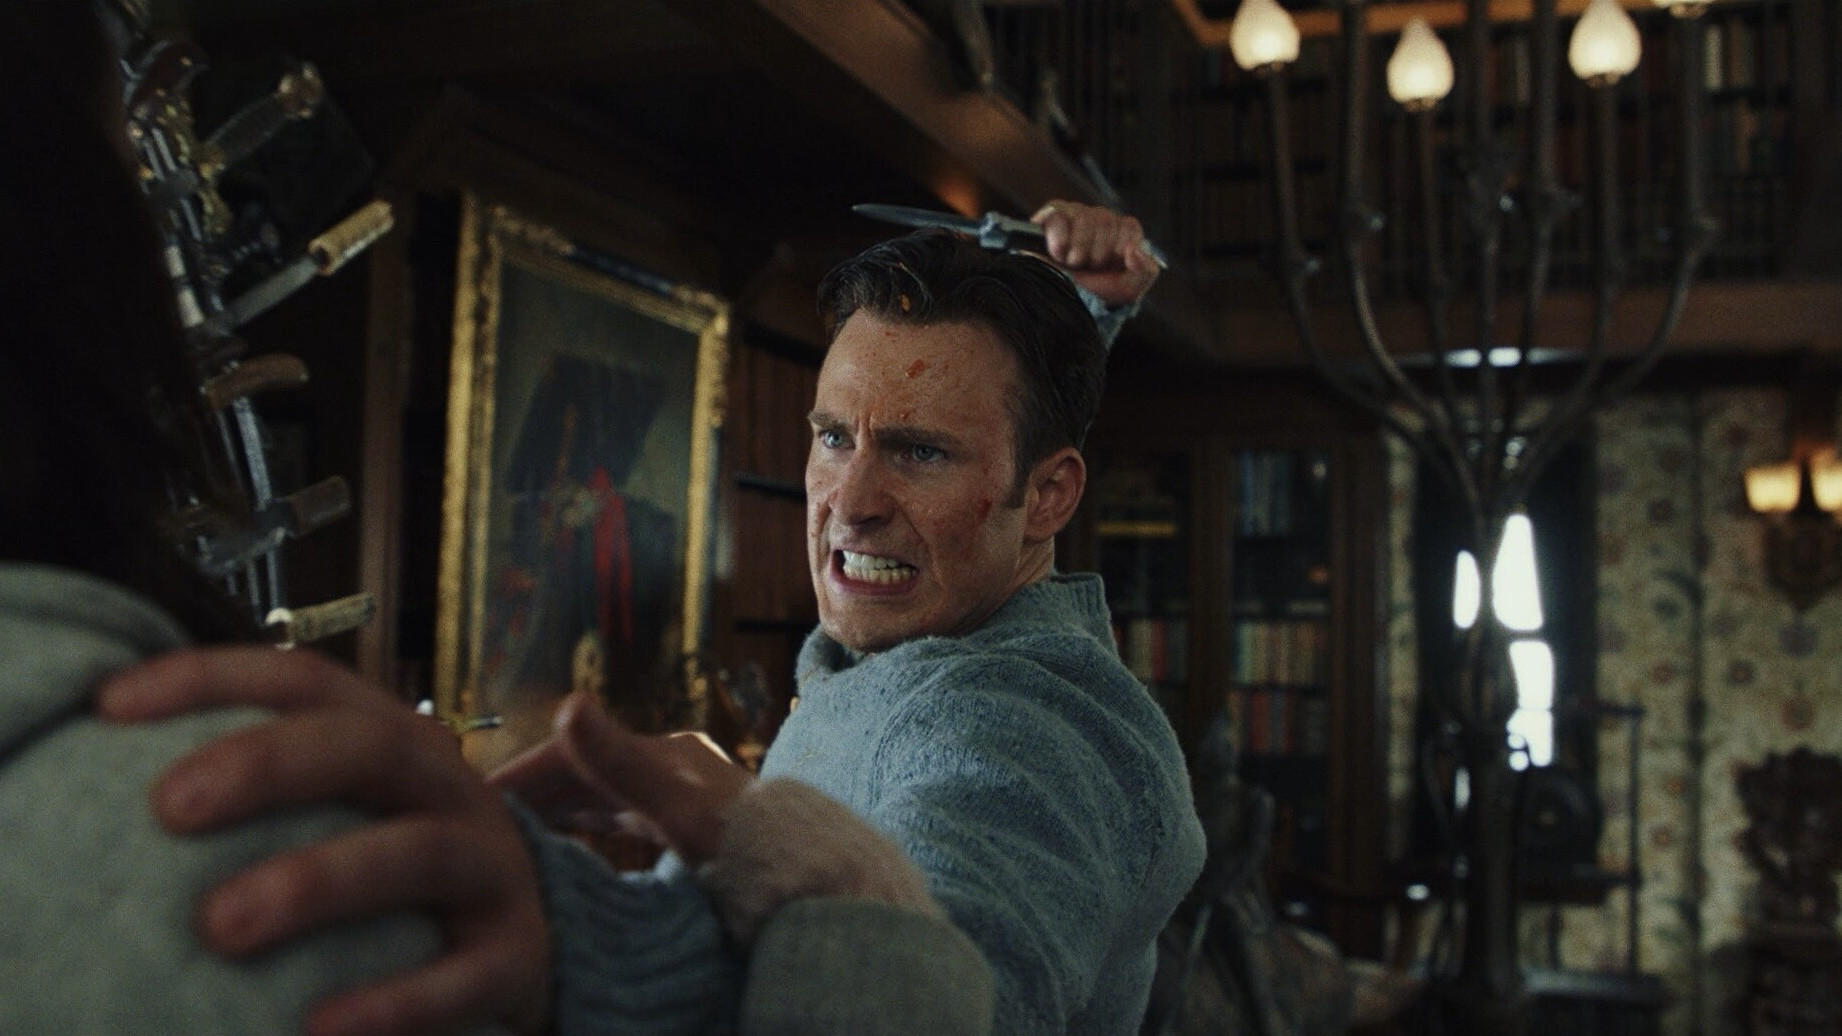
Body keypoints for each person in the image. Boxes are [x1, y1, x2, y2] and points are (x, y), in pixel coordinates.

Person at [12, 4, 989, 1035]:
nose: (854, 500)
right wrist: (819, 896)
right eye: (831, 438)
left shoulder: (1006, 737)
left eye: (921, 451)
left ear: (1049, 496)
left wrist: (607, 934)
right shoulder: (227, 849)